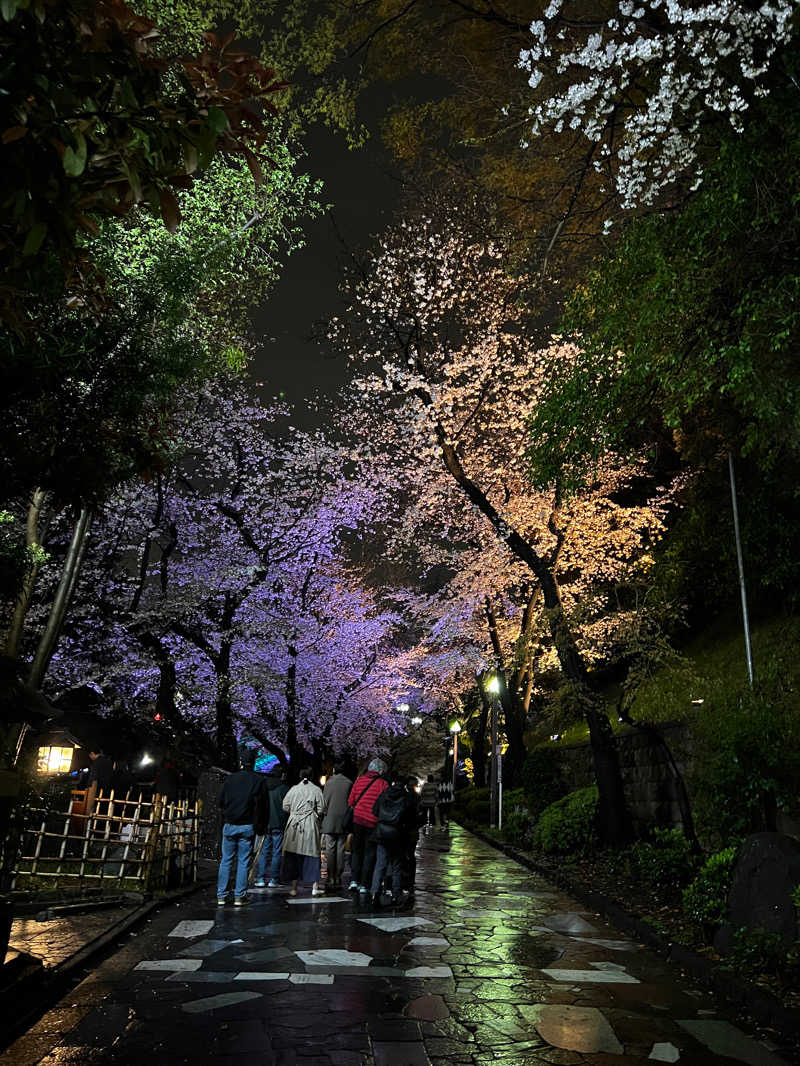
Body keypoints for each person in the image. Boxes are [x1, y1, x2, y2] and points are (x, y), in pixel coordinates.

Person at [217, 750, 267, 906]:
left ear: (240, 762)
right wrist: (262, 826)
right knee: (243, 861)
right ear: (253, 763)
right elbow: (263, 806)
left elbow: (220, 801)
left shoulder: (230, 779)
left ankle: (221, 895)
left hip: (230, 824)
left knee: (226, 860)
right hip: (247, 825)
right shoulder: (258, 780)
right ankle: (240, 895)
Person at [369, 774, 415, 907]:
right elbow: (410, 817)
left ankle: (374, 893)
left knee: (380, 864)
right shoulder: (406, 798)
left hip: (382, 832)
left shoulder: (384, 794)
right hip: (397, 834)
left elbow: (375, 810)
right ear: (404, 785)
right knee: (396, 866)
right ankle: (395, 895)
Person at [347, 758, 389, 894]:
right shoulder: (383, 784)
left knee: (357, 850)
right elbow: (384, 805)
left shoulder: (359, 781)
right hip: (373, 822)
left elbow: (351, 801)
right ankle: (364, 884)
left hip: (358, 820)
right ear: (381, 771)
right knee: (369, 853)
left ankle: (354, 880)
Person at [281, 767, 325, 897]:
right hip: (310, 824)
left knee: (294, 856)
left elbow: (285, 806)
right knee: (312, 855)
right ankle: (314, 887)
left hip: (294, 824)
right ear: (311, 776)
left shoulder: (293, 789)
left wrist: (295, 812)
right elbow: (322, 808)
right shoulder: (316, 790)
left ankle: (293, 888)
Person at [321, 763, 353, 890]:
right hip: (343, 820)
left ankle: (330, 875)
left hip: (330, 819)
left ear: (334, 770)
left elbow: (325, 801)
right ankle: (338, 875)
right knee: (341, 849)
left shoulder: (329, 782)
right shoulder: (349, 783)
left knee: (330, 848)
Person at [255, 768, 289, 887]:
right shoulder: (284, 789)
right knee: (276, 852)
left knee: (264, 852)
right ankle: (274, 879)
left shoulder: (265, 787)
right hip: (278, 824)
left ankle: (260, 878)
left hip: (265, 823)